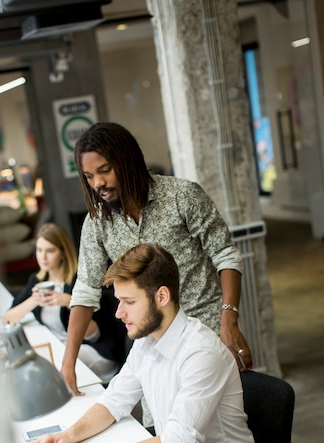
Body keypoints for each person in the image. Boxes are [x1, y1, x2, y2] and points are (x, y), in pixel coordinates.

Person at [30, 244, 259, 443]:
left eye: (129, 301)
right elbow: (113, 402)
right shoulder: (146, 342)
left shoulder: (201, 353)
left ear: (162, 296)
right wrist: (66, 437)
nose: (118, 313)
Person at [61, 122, 252, 398]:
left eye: (104, 171)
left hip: (207, 334)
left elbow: (226, 255)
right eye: (89, 176)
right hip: (153, 349)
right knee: (161, 427)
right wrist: (69, 364)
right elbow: (86, 291)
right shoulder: (97, 224)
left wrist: (229, 321)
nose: (97, 183)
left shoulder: (182, 196)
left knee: (219, 428)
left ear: (127, 161)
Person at [3, 222, 119, 383]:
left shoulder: (79, 283)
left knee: (47, 370)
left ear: (63, 253)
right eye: (39, 250)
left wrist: (69, 302)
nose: (42, 257)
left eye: (50, 251)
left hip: (91, 350)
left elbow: (94, 335)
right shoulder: (37, 281)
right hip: (60, 348)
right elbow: (8, 320)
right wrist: (33, 300)